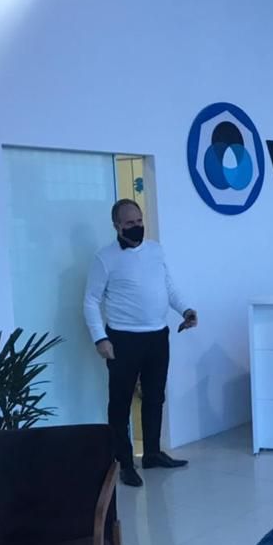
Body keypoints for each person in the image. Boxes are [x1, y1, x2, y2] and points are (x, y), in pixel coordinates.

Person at [83, 199, 196, 487]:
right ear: (117, 226)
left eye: (139, 221)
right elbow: (91, 301)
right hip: (123, 339)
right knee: (120, 402)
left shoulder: (156, 250)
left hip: (157, 336)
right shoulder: (104, 258)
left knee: (155, 396)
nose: (137, 227)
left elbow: (168, 286)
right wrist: (100, 338)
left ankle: (152, 453)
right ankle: (123, 462)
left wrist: (185, 310)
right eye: (130, 223)